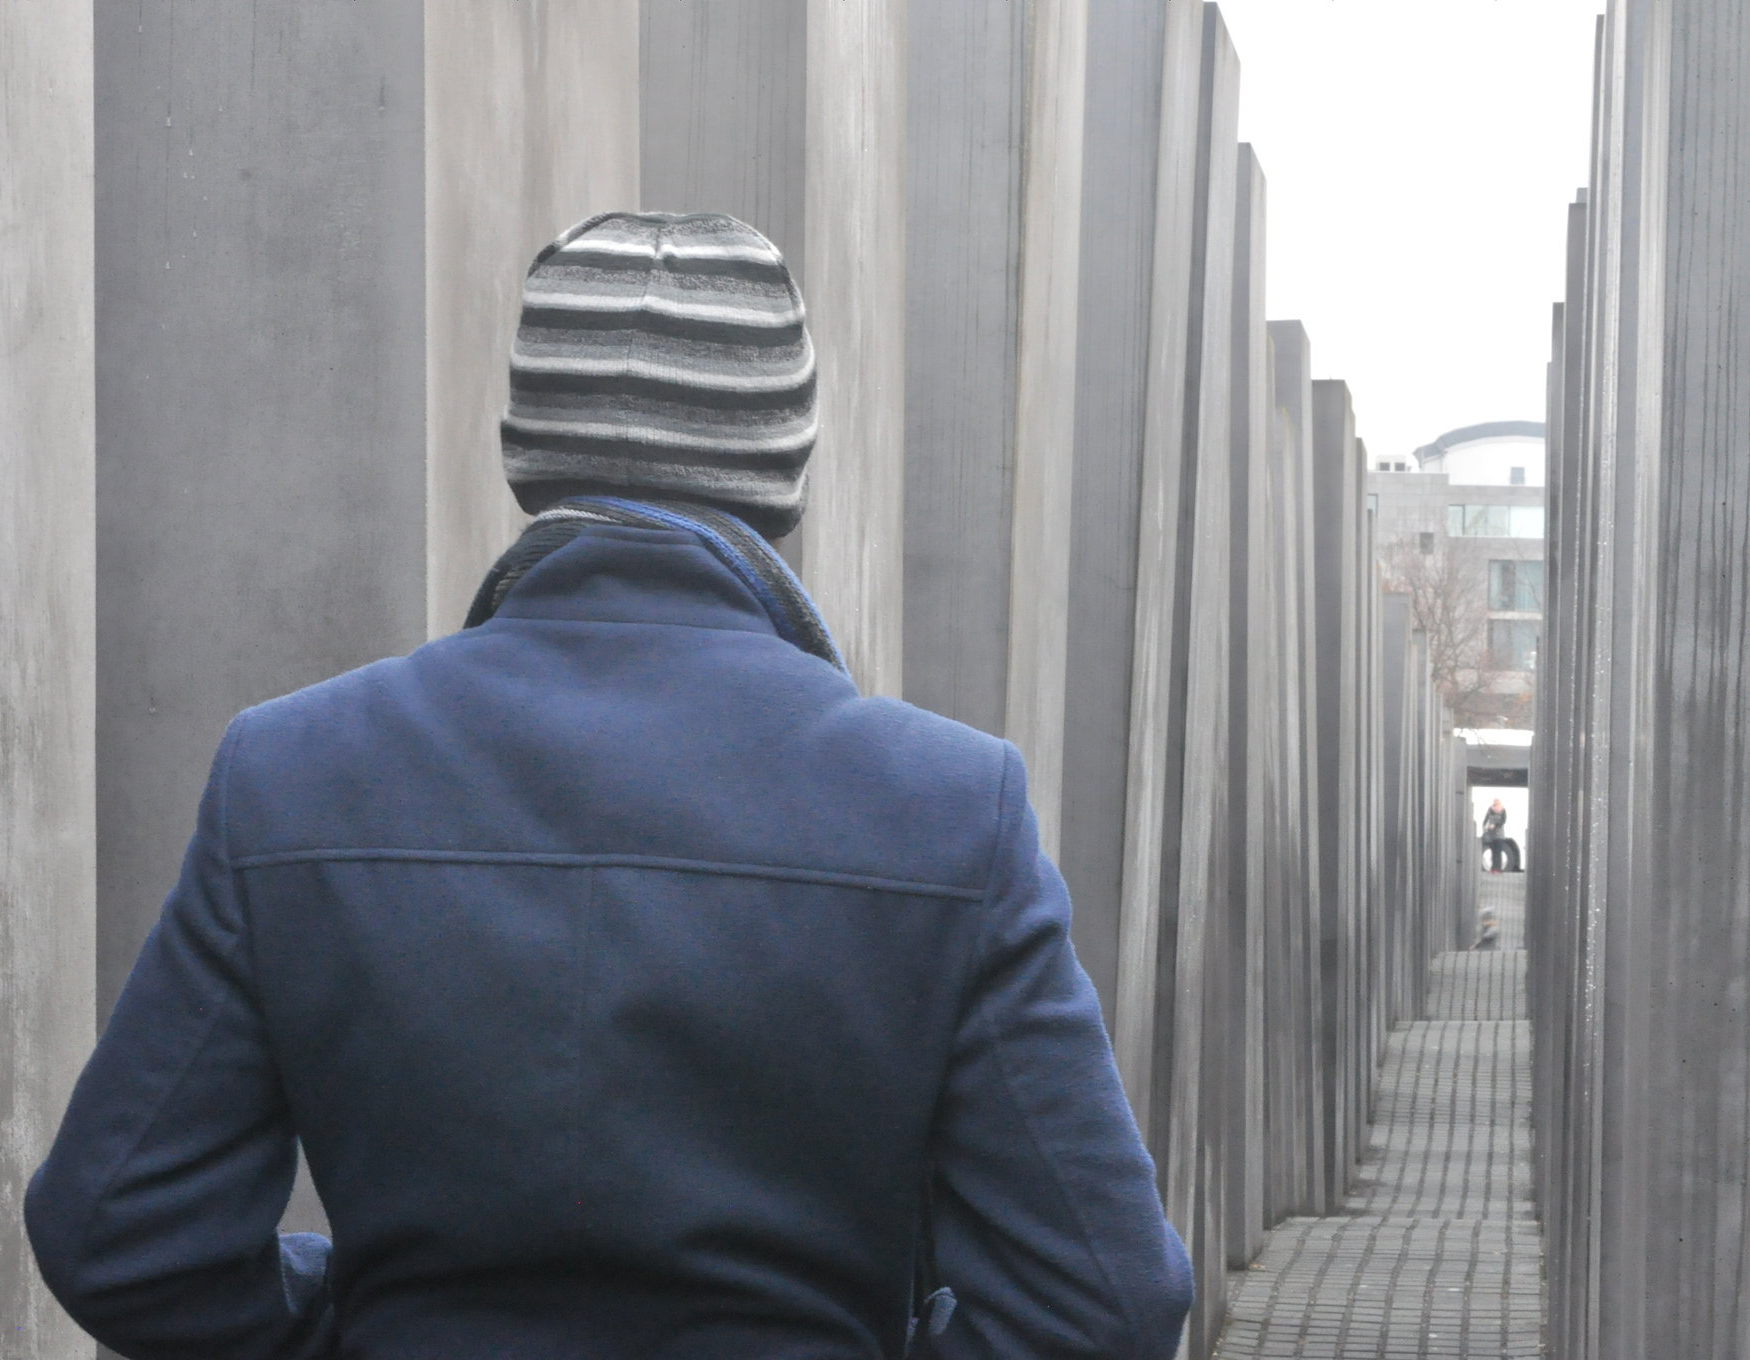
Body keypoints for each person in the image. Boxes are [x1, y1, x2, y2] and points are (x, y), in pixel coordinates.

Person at [26, 212, 1193, 1359]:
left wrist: (354, 1319)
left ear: (521, 453)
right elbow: (1106, 1296)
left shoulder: (287, 773)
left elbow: (116, 1231)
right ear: (791, 474)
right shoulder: (952, 807)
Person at [1481, 797, 1508, 873]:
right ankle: (1493, 868)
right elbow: (1485, 820)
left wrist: (1495, 825)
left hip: (1499, 835)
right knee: (1493, 852)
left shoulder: (1503, 810)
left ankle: (1497, 869)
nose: (1495, 804)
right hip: (1491, 835)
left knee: (1498, 852)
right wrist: (1484, 827)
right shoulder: (1490, 810)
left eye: (1496, 803)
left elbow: (1503, 821)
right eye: (1494, 803)